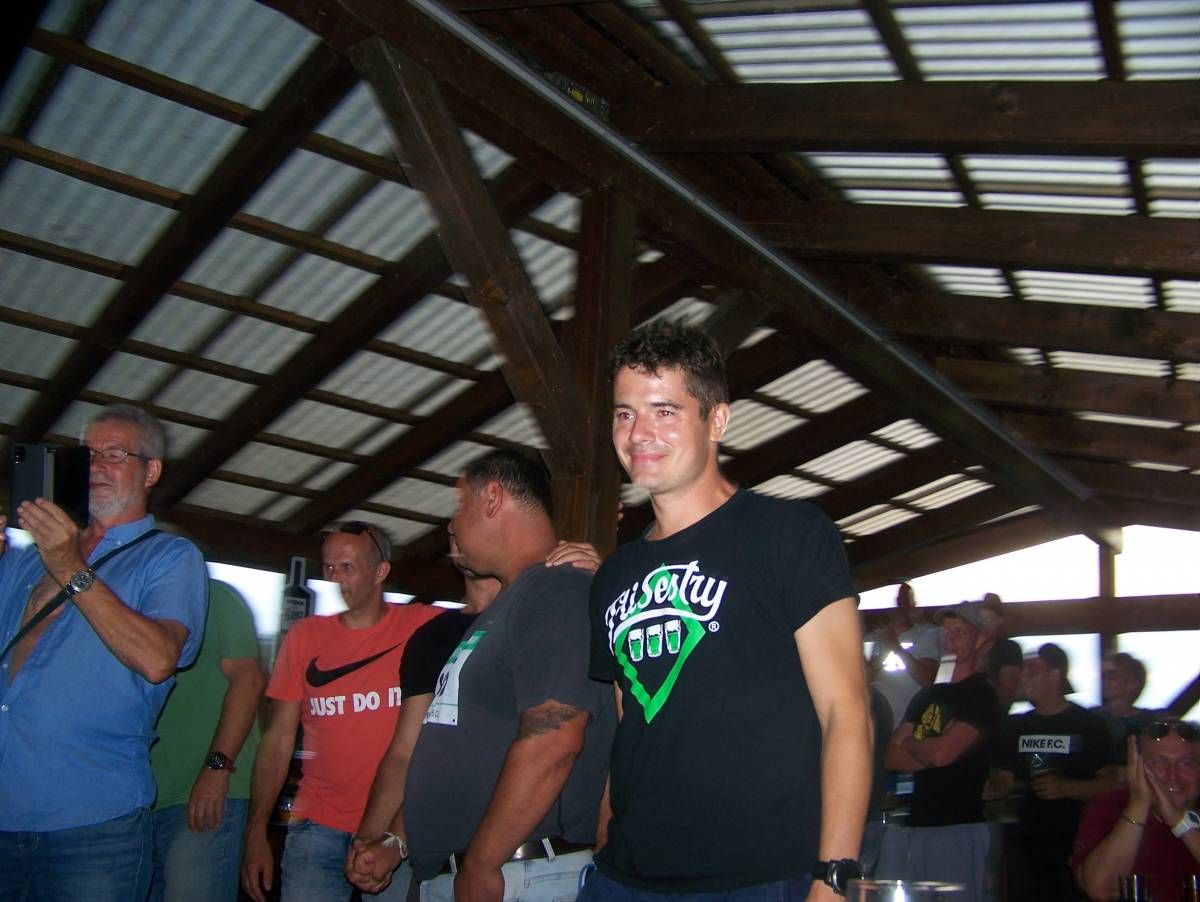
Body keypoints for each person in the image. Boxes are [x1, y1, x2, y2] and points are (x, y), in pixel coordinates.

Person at [585, 321, 871, 901]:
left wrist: (834, 877)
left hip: (758, 879)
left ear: (716, 420)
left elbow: (846, 713)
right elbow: (631, 722)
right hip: (624, 878)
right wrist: (603, 844)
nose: (638, 433)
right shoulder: (613, 575)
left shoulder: (789, 535)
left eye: (665, 411)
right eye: (624, 413)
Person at [371, 449, 614, 902]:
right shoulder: (508, 606)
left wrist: (481, 863)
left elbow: (554, 737)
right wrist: (398, 839)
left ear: (493, 498)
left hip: (514, 874)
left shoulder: (557, 589)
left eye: (459, 505)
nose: (452, 524)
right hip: (481, 870)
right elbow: (462, 748)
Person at [0, 404, 209, 900]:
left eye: (114, 454)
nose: (94, 466)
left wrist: (69, 565)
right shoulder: (25, 560)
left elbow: (158, 659)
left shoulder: (170, 557)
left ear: (151, 471)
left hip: (94, 825)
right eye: (87, 454)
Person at [344, 536, 602, 896]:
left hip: (522, 864)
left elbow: (555, 739)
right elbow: (424, 755)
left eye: (466, 515)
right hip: (447, 868)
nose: (457, 533)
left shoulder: (550, 605)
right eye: (450, 530)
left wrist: (608, 584)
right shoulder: (434, 637)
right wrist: (387, 840)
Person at [240, 521, 442, 902]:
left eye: (347, 567)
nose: (334, 578)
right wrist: (255, 832)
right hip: (317, 825)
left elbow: (486, 606)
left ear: (380, 571)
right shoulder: (305, 637)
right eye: (329, 567)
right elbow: (278, 740)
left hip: (393, 831)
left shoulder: (421, 625)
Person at [150, 578, 267, 902]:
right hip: (144, 798)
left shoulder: (214, 596)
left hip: (205, 794)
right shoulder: (133, 603)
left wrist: (216, 769)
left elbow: (249, 680)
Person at [879, 601, 1001, 902]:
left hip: (958, 828)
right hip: (918, 826)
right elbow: (891, 757)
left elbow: (941, 755)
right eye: (945, 631)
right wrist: (933, 748)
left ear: (979, 640)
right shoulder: (928, 695)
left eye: (960, 632)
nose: (950, 638)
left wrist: (914, 744)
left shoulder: (981, 694)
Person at [990, 643, 1114, 901]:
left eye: (1032, 671)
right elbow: (1004, 779)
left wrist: (1067, 787)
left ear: (1055, 674)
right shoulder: (1016, 726)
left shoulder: (1088, 724)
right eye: (1023, 671)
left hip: (1077, 840)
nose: (1024, 677)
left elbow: (1110, 784)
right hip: (1028, 841)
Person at [1073, 719, 1200, 901]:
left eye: (1186, 763)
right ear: (1135, 768)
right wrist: (1138, 804)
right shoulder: (1110, 806)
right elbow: (1100, 889)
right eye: (1159, 762)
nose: (1173, 775)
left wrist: (1180, 823)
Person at [867, 582, 940, 728]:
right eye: (897, 600)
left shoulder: (927, 634)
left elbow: (927, 680)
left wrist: (896, 648)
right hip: (872, 720)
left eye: (904, 599)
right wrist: (884, 652)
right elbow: (861, 679)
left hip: (903, 724)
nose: (900, 605)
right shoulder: (870, 638)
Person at [1097, 652, 1159, 762]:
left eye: (1112, 674)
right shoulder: (1090, 719)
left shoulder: (1150, 723)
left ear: (1132, 683)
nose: (1105, 680)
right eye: (1103, 675)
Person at [976, 592, 1022, 711]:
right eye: (981, 620)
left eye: (989, 620)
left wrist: (983, 674)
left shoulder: (1009, 649)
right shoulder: (967, 646)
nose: (984, 625)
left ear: (1000, 621)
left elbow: (1006, 698)